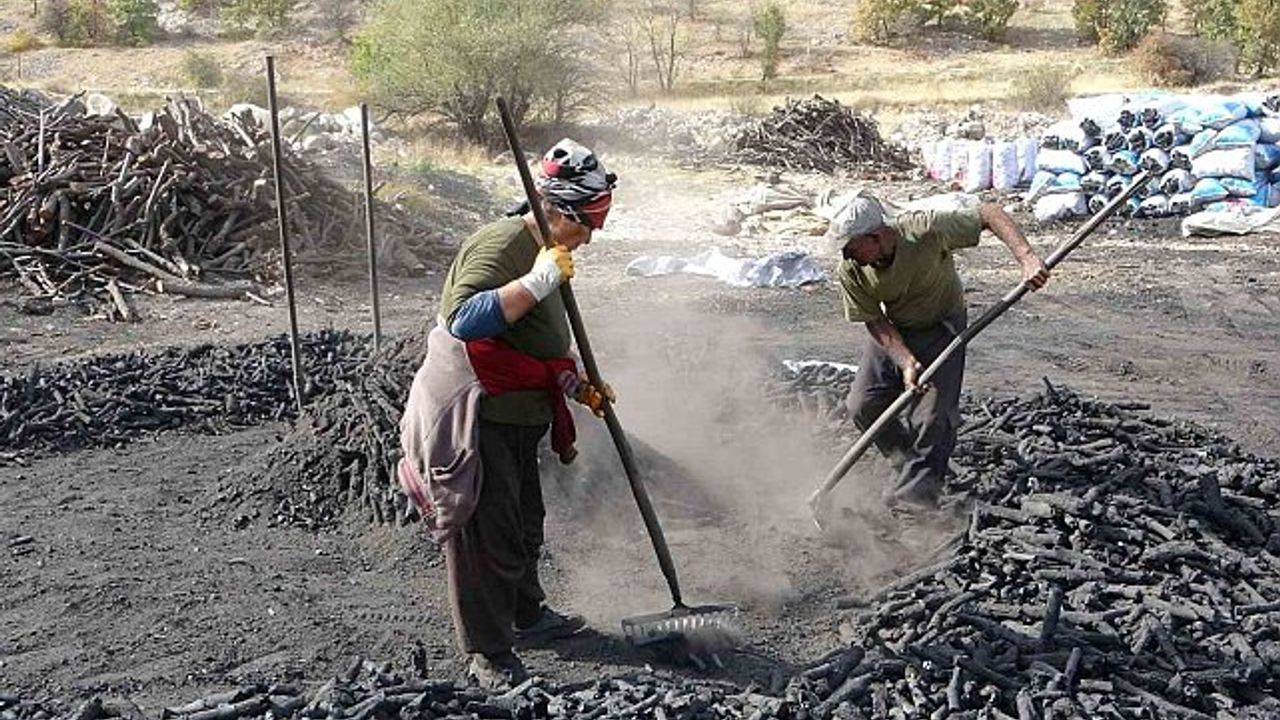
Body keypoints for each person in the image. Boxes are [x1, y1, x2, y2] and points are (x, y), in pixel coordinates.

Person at [397, 139, 617, 689]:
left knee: (523, 523)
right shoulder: (501, 246)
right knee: (486, 535)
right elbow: (465, 320)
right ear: (559, 210)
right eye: (589, 222)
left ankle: (526, 615)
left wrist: (574, 381)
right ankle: (488, 655)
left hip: (519, 410)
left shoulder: (548, 251)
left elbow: (531, 339)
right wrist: (537, 281)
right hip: (478, 413)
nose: (593, 236)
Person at [826, 192, 1050, 510]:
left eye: (850, 246)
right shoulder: (851, 269)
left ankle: (916, 505)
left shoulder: (924, 230)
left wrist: (1026, 257)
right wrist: (905, 360)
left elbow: (989, 213)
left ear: (874, 237)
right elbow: (873, 319)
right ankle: (908, 464)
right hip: (894, 330)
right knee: (863, 405)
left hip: (941, 327)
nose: (846, 254)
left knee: (932, 418)